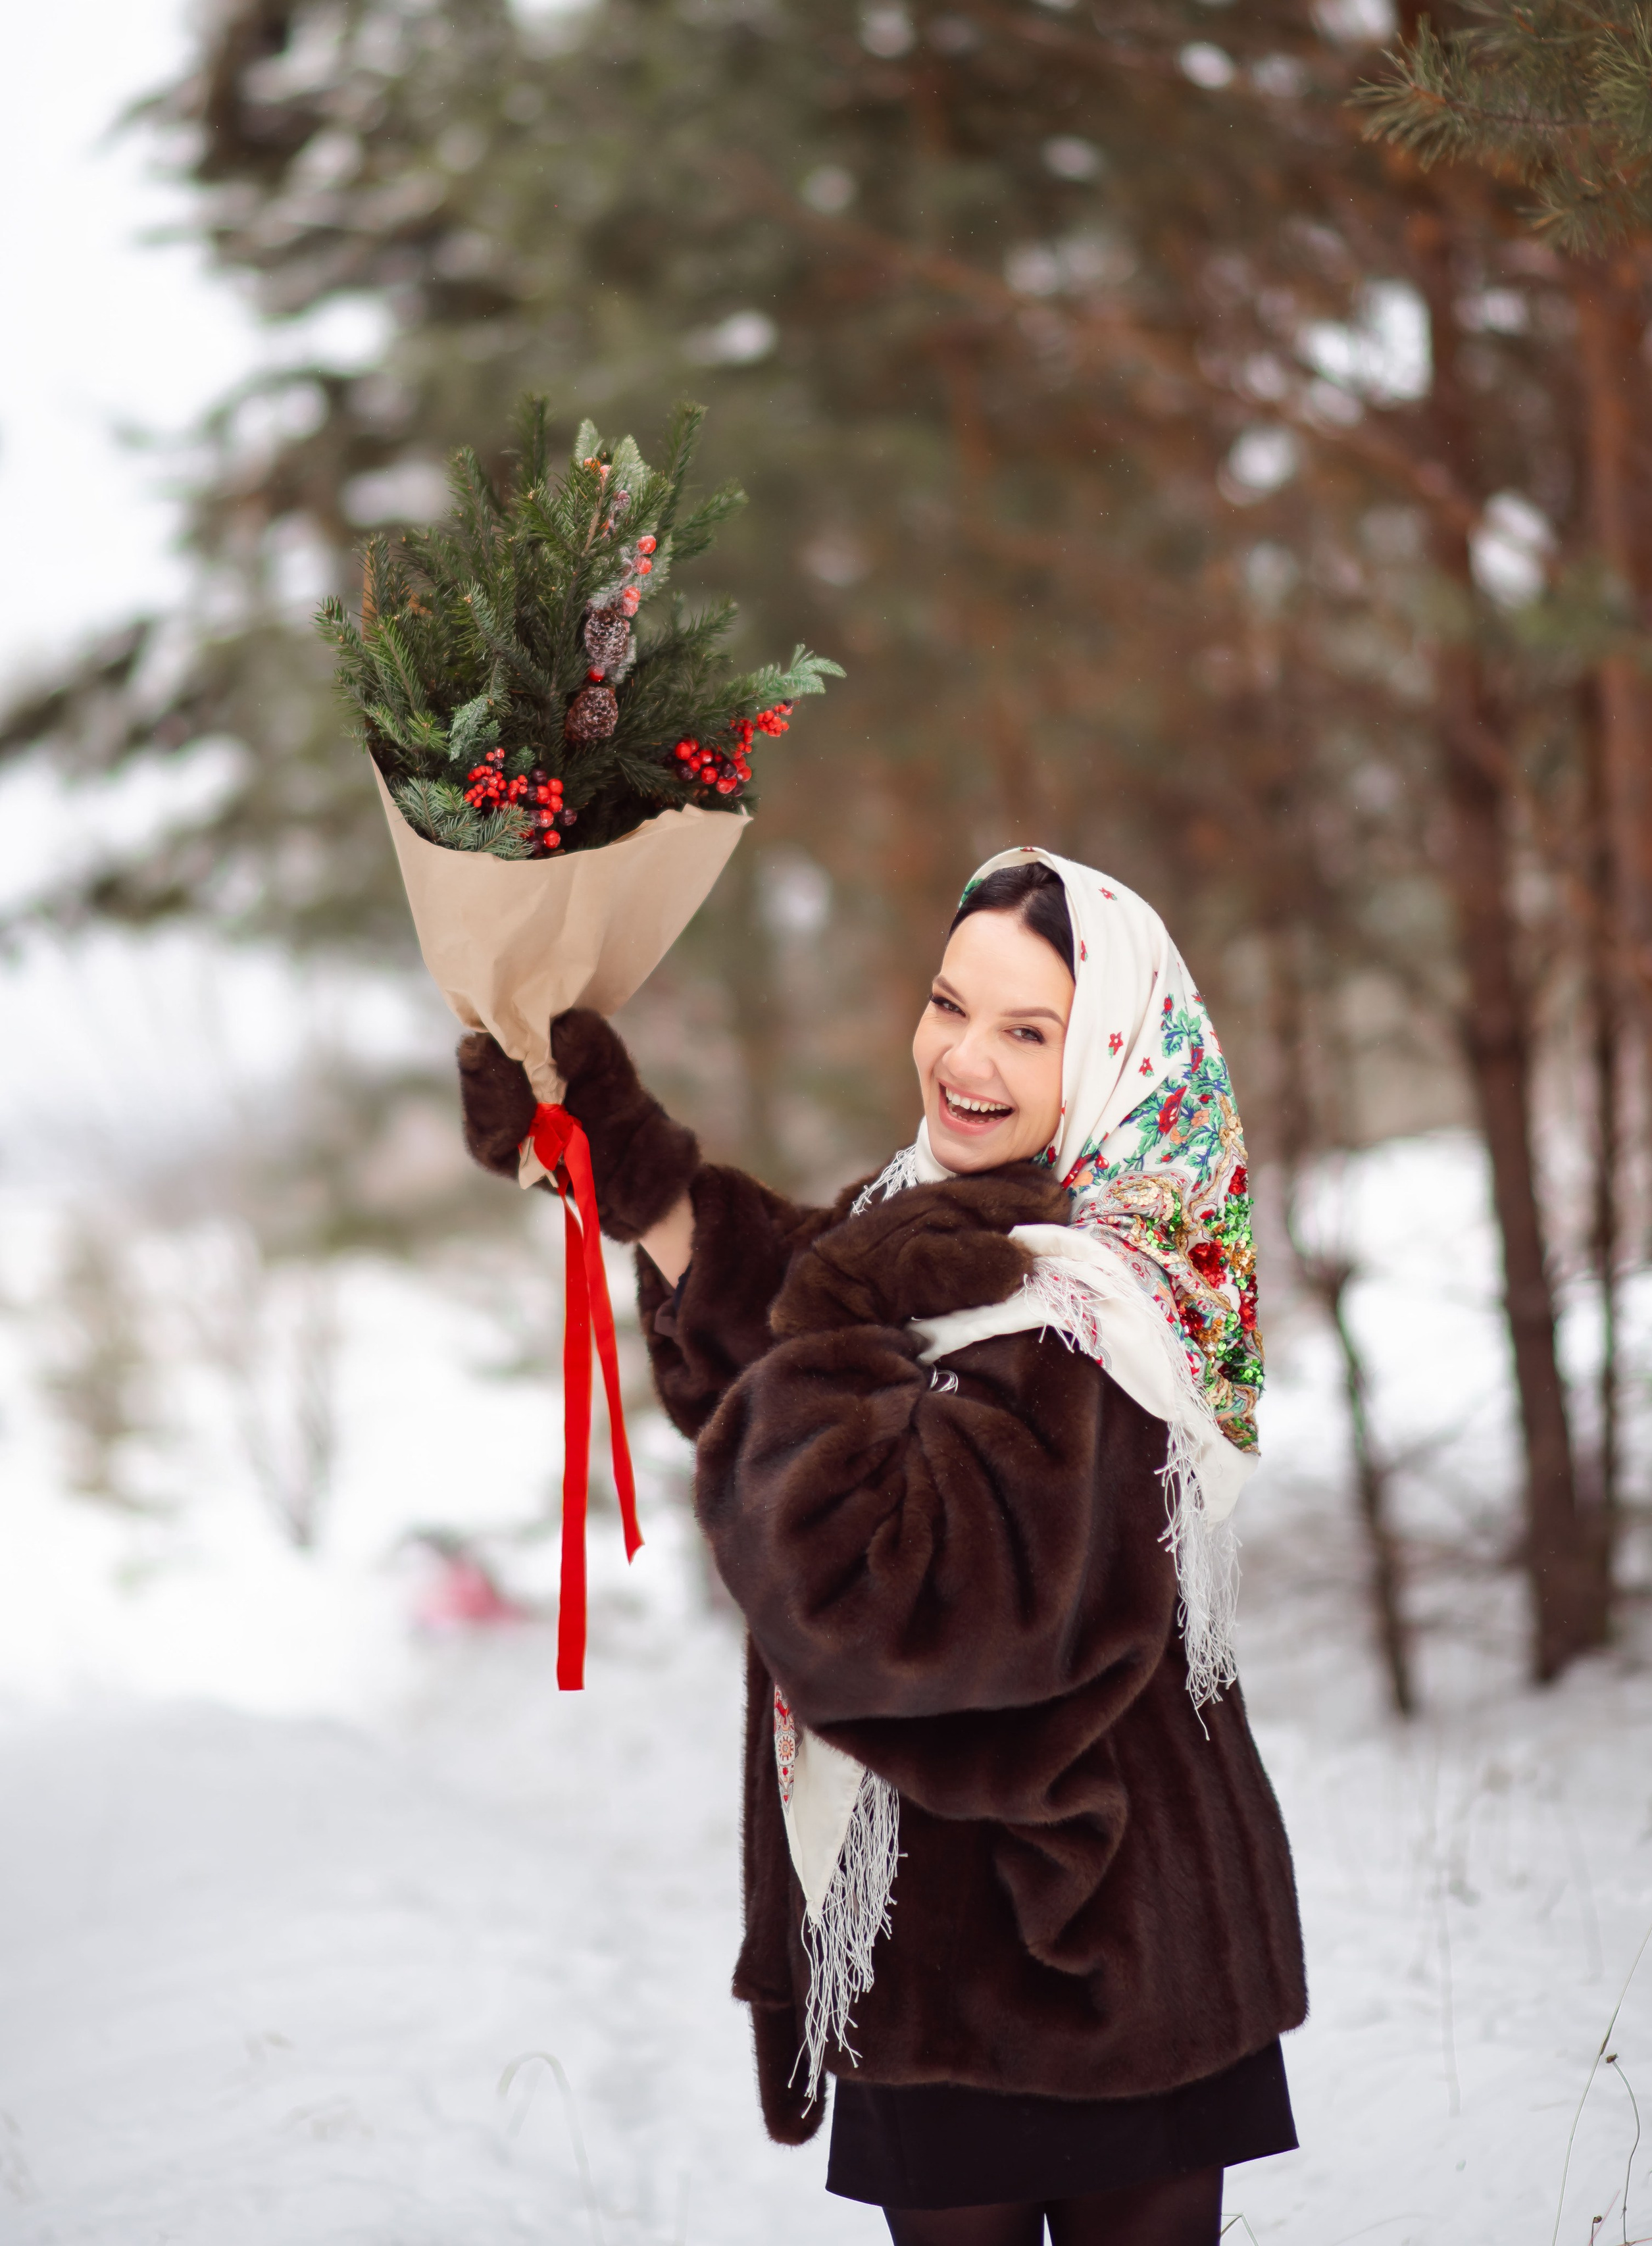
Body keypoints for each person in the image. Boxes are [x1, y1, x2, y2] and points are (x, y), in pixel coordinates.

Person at [458, 846, 1306, 2246]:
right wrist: (613, 1153)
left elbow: (886, 1591)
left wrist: (843, 1304)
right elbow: (801, 1304)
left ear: (1102, 1058)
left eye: (1026, 1032)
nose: (962, 1058)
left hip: (1090, 1942)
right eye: (947, 1003)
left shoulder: (1092, 1305)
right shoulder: (937, 1211)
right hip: (956, 1945)